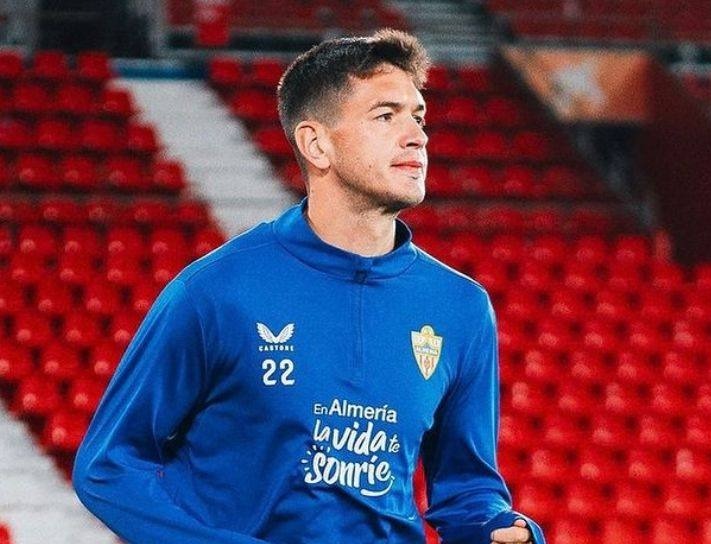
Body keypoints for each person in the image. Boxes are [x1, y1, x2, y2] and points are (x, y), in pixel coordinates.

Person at [73, 29, 546, 544]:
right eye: (386, 116)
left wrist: (502, 528)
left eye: (418, 117)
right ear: (315, 144)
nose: (416, 136)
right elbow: (108, 467)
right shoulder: (215, 292)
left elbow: (467, 489)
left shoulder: (461, 308)